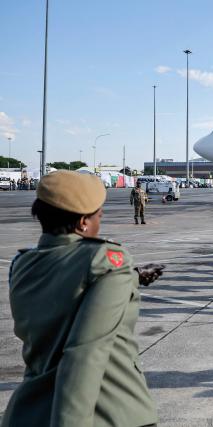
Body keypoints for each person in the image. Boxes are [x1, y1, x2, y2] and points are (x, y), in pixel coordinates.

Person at [2, 170, 160, 427]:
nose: (100, 222)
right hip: (106, 413)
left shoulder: (21, 264)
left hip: (30, 413)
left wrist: (131, 277)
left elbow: (64, 291)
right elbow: (85, 352)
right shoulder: (105, 261)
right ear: (83, 222)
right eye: (99, 215)